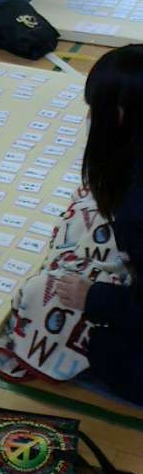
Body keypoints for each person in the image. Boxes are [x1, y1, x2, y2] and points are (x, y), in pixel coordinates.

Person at [55, 45, 143, 404]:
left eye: (96, 107)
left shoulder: (136, 213)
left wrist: (94, 297)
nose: (90, 116)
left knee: (105, 349)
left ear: (120, 115)